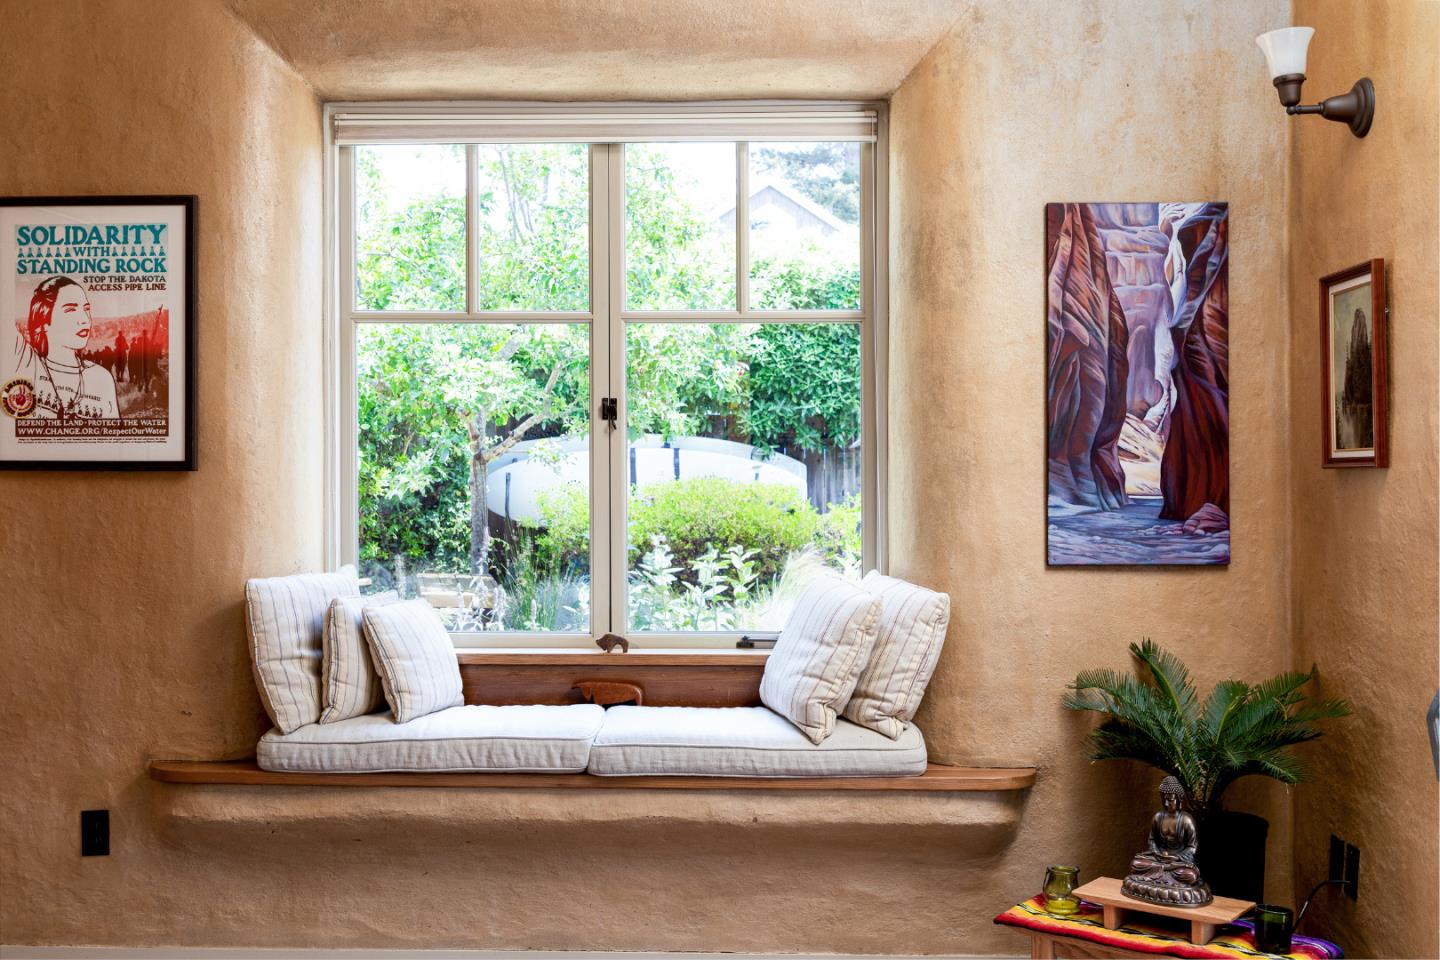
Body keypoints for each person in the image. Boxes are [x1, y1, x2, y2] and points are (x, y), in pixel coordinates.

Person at [13, 276, 119, 421]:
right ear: (44, 322)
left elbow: (114, 440)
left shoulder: (103, 378)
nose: (84, 319)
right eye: (70, 310)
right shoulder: (28, 363)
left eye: (86, 309)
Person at [1121, 776, 1213, 906]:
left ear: (1179, 799)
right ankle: (1164, 874)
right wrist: (1156, 852)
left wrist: (1175, 857)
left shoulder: (1186, 820)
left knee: (1190, 875)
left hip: (1178, 862)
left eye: (1170, 800)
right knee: (1136, 864)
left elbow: (1192, 847)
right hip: (1158, 859)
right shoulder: (1158, 817)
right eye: (1164, 799)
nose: (1166, 804)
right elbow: (1152, 840)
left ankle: (1163, 875)